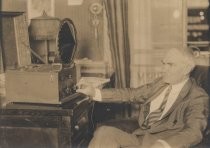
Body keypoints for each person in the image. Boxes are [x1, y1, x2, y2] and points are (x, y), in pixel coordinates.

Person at [77, 47, 209, 148]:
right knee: (104, 132)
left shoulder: (197, 96)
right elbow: (132, 94)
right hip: (139, 137)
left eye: (170, 65)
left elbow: (194, 132)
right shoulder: (161, 83)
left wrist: (165, 145)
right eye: (163, 63)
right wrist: (94, 92)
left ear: (186, 69)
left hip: (160, 142)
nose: (163, 69)